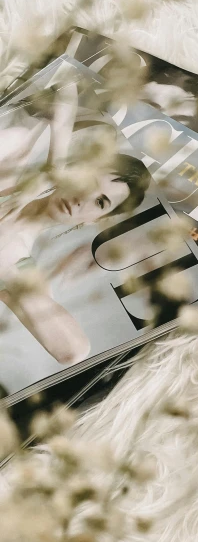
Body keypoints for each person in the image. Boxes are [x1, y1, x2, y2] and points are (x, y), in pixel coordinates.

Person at [0, 81, 151, 367]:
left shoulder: (19, 263)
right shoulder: (13, 156)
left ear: (96, 221)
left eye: (100, 202)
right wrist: (53, 169)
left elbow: (73, 352)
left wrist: (11, 276)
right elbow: (65, 83)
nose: (83, 198)